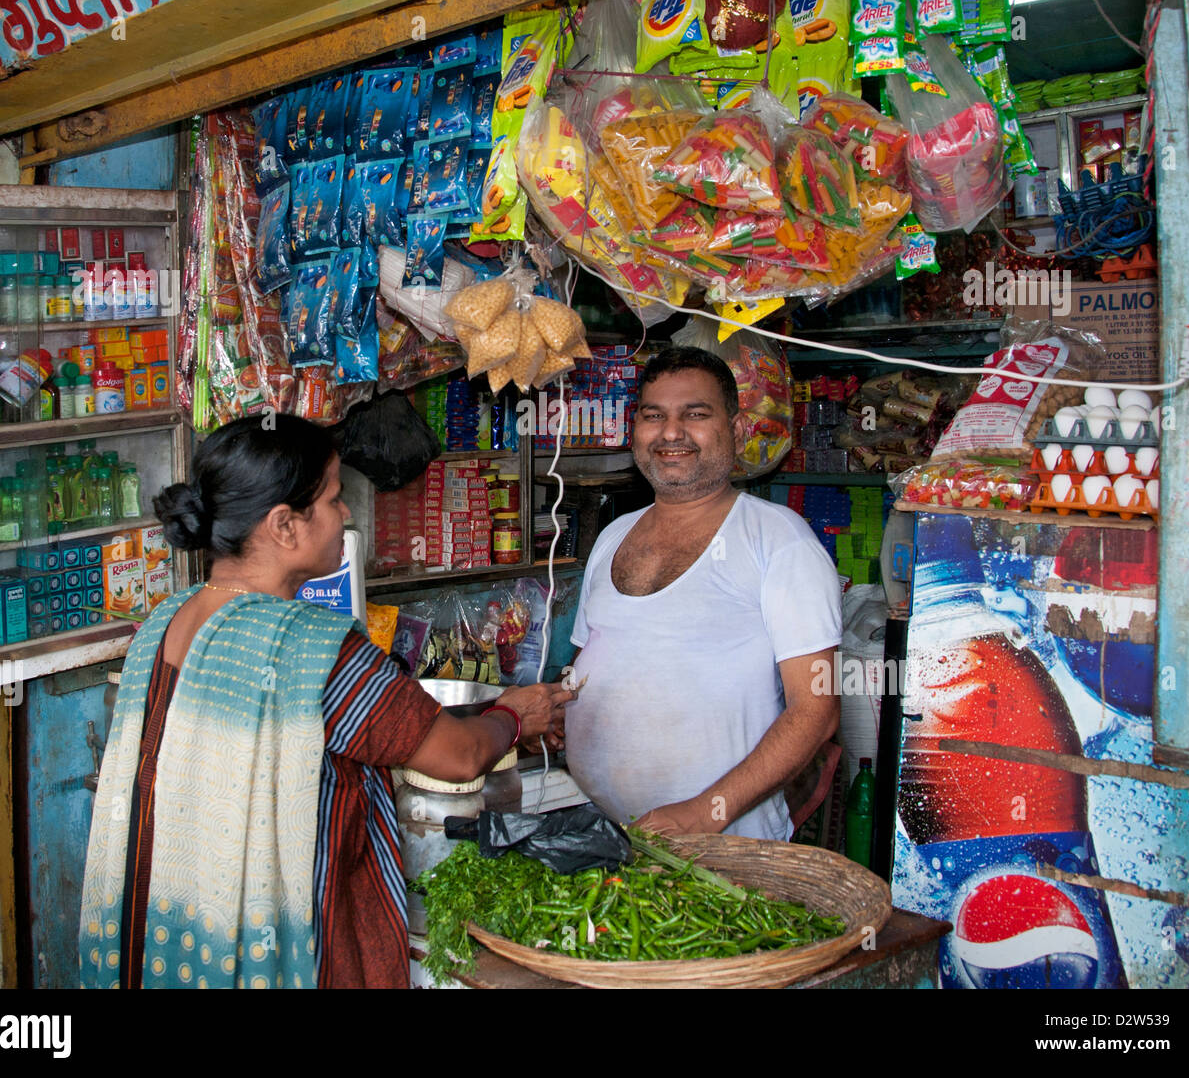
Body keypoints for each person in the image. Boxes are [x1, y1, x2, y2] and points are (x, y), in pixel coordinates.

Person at [79, 414, 573, 989]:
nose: (346, 515)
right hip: (296, 947)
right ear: (284, 525)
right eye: (334, 499)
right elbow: (459, 756)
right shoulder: (310, 647)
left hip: (171, 935)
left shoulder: (164, 622)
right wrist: (514, 714)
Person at [564, 345, 841, 842]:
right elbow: (587, 668)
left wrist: (704, 812)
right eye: (654, 416)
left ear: (737, 430)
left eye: (695, 414)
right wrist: (542, 708)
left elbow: (816, 712)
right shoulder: (612, 537)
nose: (671, 433)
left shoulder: (778, 540)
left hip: (721, 852)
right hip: (605, 840)